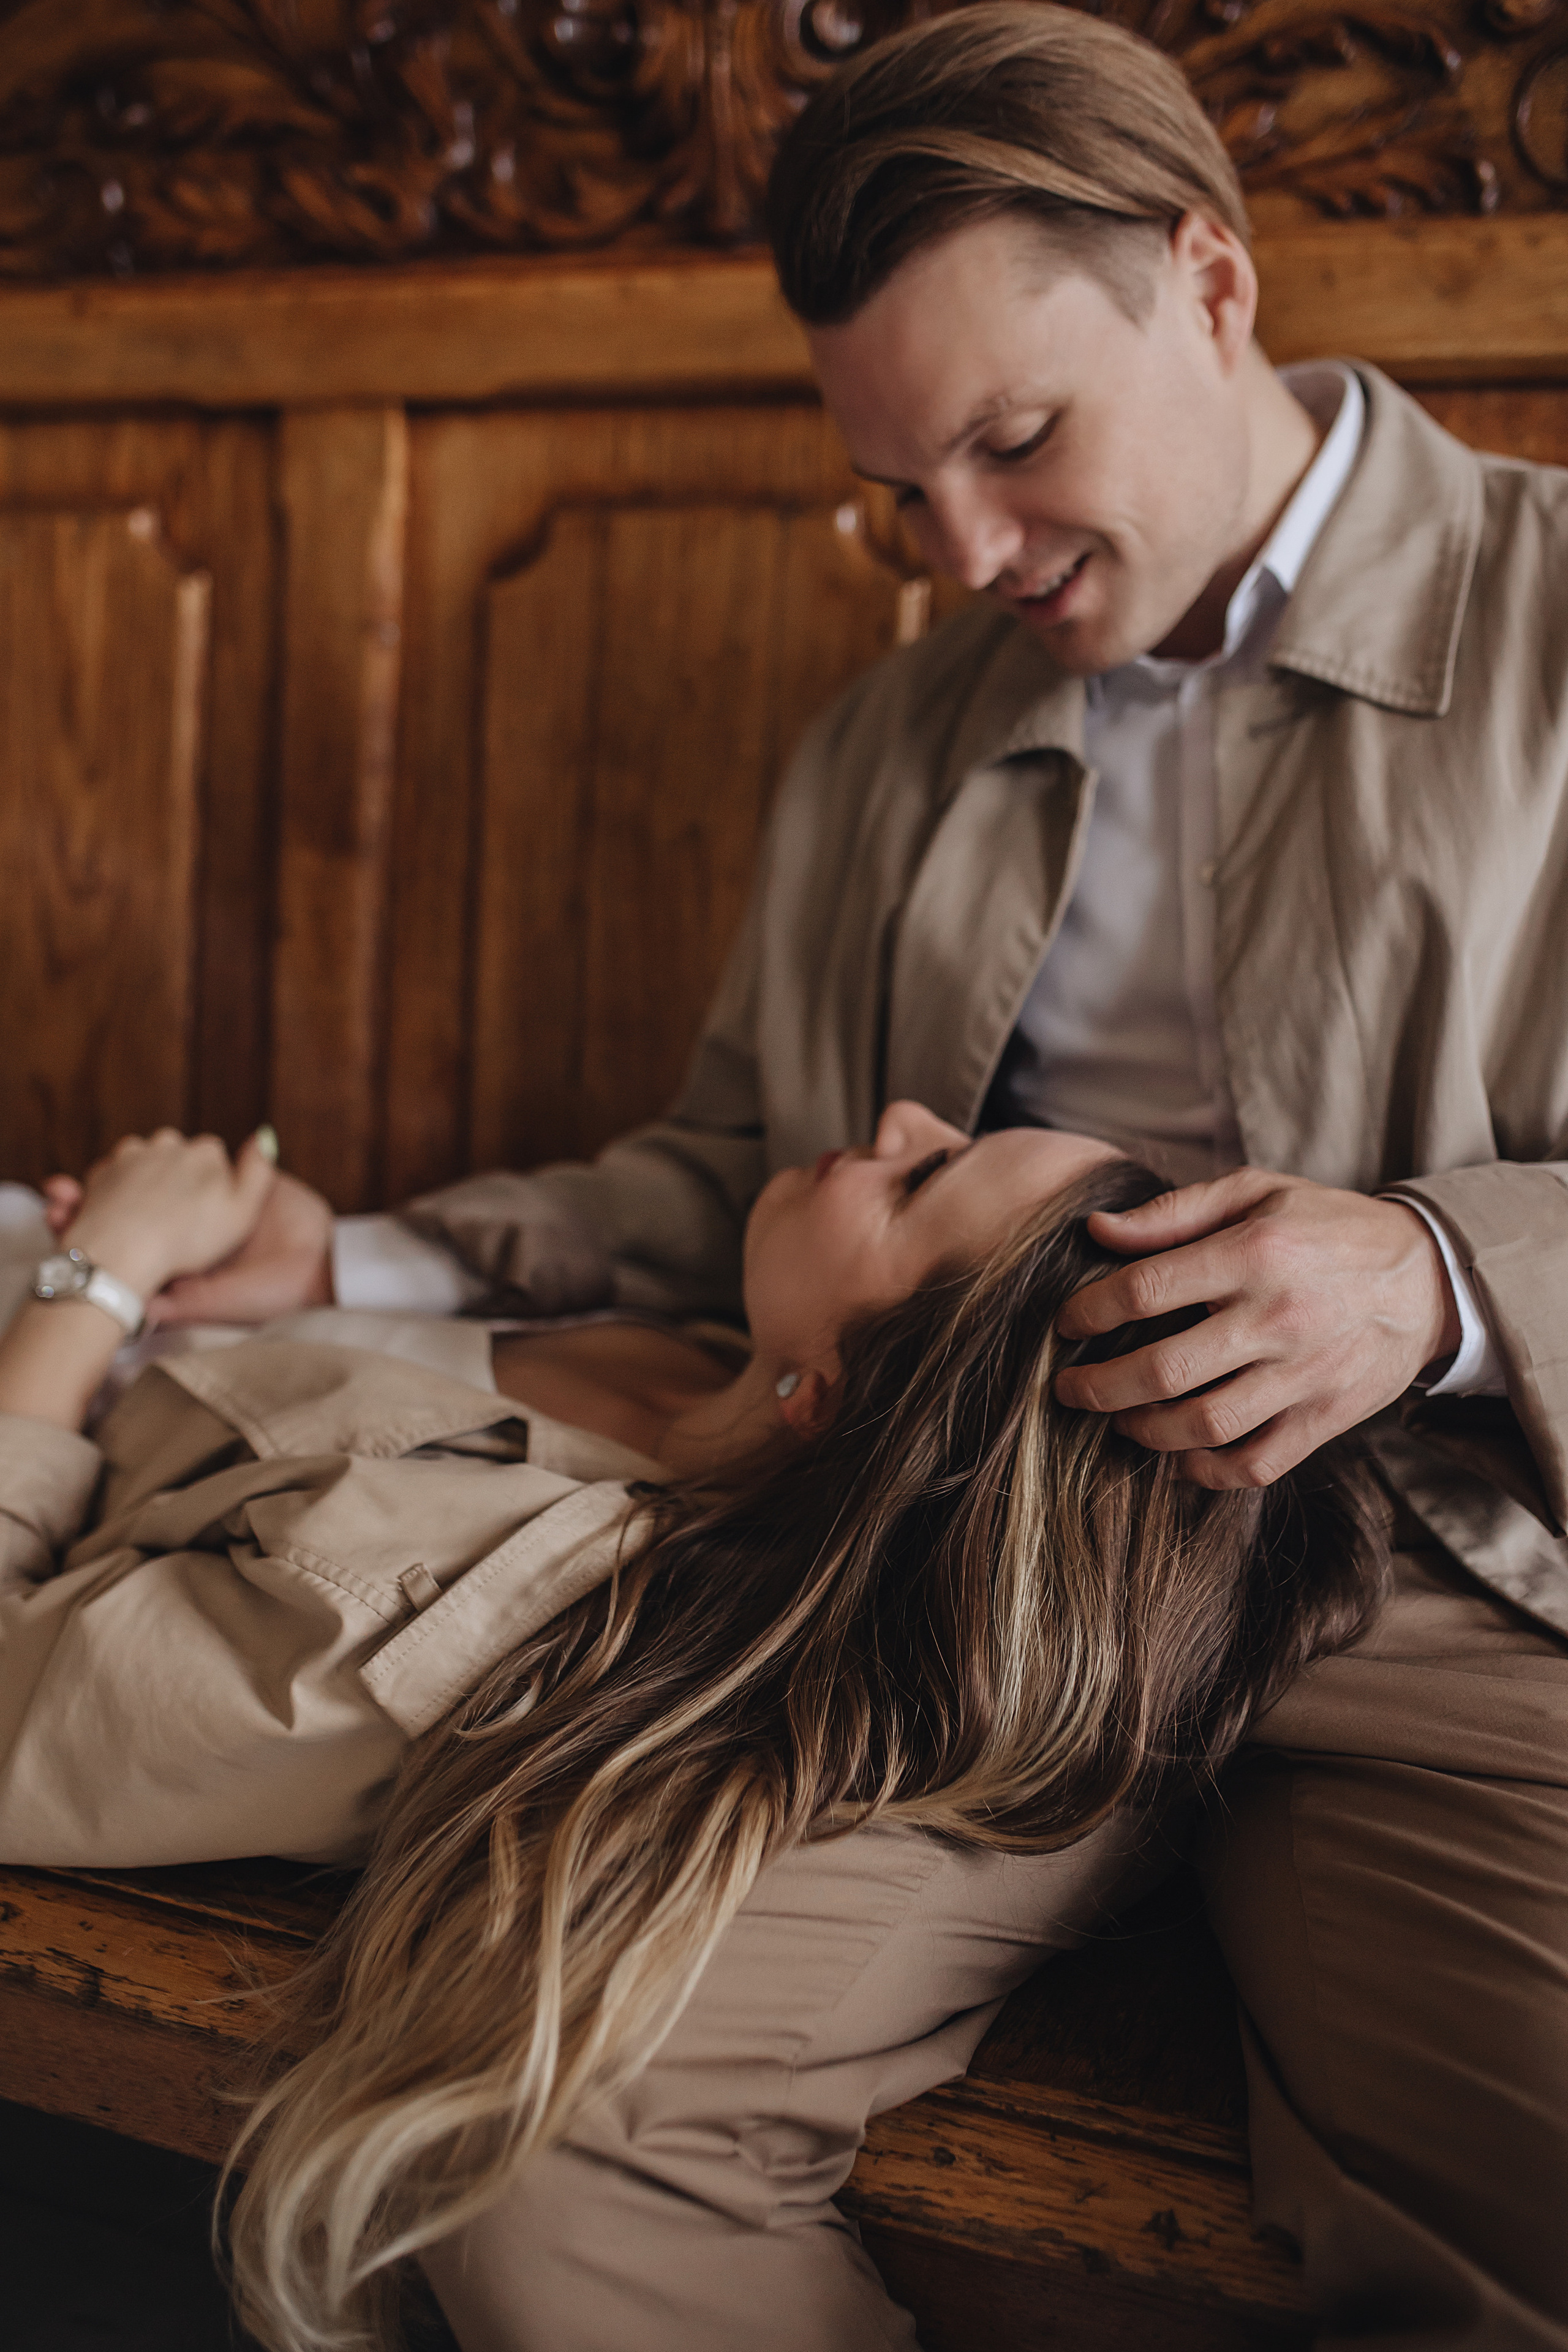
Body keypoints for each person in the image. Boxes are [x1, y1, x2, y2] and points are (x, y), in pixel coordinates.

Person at [34, 4, 1568, 2343]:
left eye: (1018, 440)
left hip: (1448, 1576)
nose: (962, 553)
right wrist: (335, 1247)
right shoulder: (891, 742)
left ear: (1215, 281)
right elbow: (733, 1178)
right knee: (536, 2132)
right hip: (931, 1592)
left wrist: (1442, 1274)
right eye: (899, 491)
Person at [1, 1120, 1382, 2352]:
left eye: (919, 1178)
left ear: (830, 1397)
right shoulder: (709, 1369)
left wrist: (97, 1284)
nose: (896, 1114)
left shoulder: (387, 1614)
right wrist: (311, 1257)